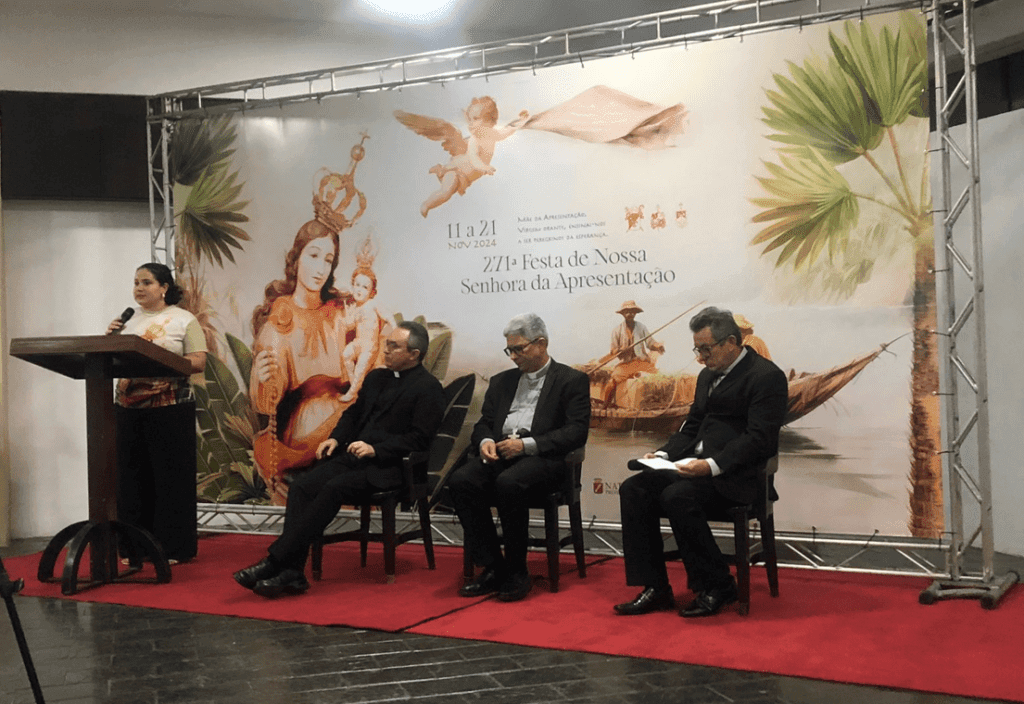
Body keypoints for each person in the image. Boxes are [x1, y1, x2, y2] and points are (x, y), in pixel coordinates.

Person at [233, 321, 445, 598]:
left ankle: (275, 562)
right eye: (387, 343)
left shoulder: (429, 388)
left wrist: (376, 449)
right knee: (301, 487)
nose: (386, 349)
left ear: (414, 354)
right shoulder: (376, 378)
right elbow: (353, 414)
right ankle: (293, 572)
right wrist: (335, 438)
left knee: (334, 487)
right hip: (353, 459)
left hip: (391, 468)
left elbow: (419, 439)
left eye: (394, 346)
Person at [614, 306, 787, 618]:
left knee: (677, 495)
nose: (701, 357)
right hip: (695, 467)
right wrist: (664, 454)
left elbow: (759, 439)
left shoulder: (767, 377)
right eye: (697, 349)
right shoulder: (707, 375)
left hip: (737, 476)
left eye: (706, 349)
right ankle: (655, 587)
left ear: (731, 342)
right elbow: (692, 426)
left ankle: (718, 585)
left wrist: (711, 465)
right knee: (634, 489)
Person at [448, 313, 590, 602]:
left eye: (519, 349)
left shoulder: (571, 380)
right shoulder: (501, 381)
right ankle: (492, 566)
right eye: (509, 350)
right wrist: (486, 441)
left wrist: (526, 446)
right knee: (462, 480)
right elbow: (484, 423)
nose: (513, 356)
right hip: (502, 453)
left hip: (546, 459)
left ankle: (517, 571)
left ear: (541, 343)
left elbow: (576, 432)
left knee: (509, 483)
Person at [106, 262, 208, 565]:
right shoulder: (127, 322)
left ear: (164, 288)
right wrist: (110, 339)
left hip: (170, 408)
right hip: (128, 409)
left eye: (146, 282)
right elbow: (110, 361)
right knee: (132, 480)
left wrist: (162, 361)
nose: (138, 288)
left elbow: (198, 361)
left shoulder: (184, 319)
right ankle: (134, 548)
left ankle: (172, 548)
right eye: (136, 282)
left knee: (169, 480)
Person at [250, 219, 353, 502]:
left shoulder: (340, 315)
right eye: (313, 255)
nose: (320, 268)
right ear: (296, 259)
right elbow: (269, 402)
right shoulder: (280, 323)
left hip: (347, 423)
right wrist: (263, 378)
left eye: (328, 260)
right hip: (304, 434)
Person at [394, 96, 530, 217]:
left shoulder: (494, 134)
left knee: (449, 191)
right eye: (470, 119)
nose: (471, 123)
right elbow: (474, 158)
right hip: (456, 171)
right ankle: (427, 205)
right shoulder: (475, 140)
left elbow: (508, 130)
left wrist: (522, 120)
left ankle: (436, 179)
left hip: (465, 177)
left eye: (476, 119)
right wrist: (484, 167)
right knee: (446, 191)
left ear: (490, 120)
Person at [602, 300, 665, 407]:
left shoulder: (641, 327)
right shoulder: (617, 330)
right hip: (625, 364)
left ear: (635, 313)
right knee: (612, 381)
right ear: (623, 314)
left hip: (641, 362)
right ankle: (606, 405)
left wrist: (657, 346)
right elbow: (613, 350)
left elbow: (650, 342)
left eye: (632, 311)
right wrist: (621, 350)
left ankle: (658, 404)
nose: (629, 314)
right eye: (627, 312)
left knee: (658, 379)